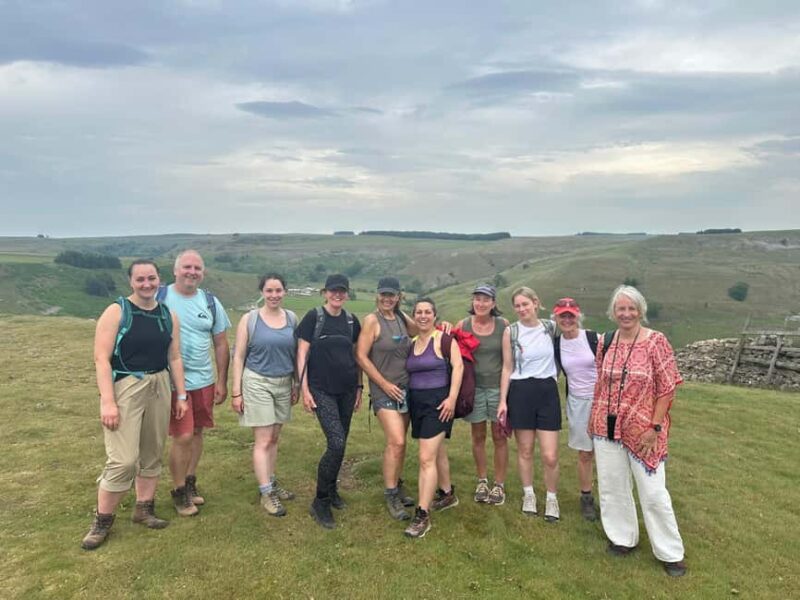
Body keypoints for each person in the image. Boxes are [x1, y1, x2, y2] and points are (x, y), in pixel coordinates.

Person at [82, 259, 188, 550]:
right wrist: (108, 402)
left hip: (160, 385)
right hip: (126, 386)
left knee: (152, 451)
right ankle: (102, 520)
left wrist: (180, 395)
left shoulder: (168, 314)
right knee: (123, 459)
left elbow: (175, 357)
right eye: (140, 279)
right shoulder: (117, 311)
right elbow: (101, 359)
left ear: (159, 279)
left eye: (151, 278)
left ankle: (144, 509)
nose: (146, 284)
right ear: (130, 281)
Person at [589, 285, 687, 577]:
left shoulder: (656, 342)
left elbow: (667, 388)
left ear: (640, 310)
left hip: (644, 429)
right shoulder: (605, 341)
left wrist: (655, 427)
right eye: (621, 308)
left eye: (631, 308)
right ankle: (622, 538)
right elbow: (601, 382)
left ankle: (670, 553)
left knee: (654, 493)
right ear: (613, 312)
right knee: (612, 487)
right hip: (605, 426)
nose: (626, 314)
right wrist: (593, 418)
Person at [162, 250, 231, 516]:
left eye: (197, 268)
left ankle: (190, 482)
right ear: (175, 270)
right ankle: (179, 490)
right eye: (187, 267)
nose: (192, 272)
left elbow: (221, 343)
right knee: (183, 436)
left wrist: (222, 381)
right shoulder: (160, 297)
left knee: (198, 432)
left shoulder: (210, 302)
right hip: (172, 382)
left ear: (203, 273)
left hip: (204, 380)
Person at [296, 274, 363, 529]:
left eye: (342, 291)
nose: (337, 294)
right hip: (321, 389)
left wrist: (359, 387)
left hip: (347, 390)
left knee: (341, 443)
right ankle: (320, 501)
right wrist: (304, 389)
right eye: (333, 290)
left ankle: (332, 489)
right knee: (336, 442)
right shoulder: (314, 317)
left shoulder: (351, 321)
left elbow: (356, 356)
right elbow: (302, 354)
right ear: (325, 292)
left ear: (347, 293)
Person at [231, 273, 298, 517]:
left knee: (274, 438)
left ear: (284, 292)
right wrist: (236, 392)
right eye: (269, 291)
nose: (274, 295)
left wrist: (296, 384)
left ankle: (270, 481)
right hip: (257, 382)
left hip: (284, 382)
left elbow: (295, 354)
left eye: (278, 290)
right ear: (262, 292)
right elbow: (239, 356)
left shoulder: (292, 318)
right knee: (263, 439)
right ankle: (266, 493)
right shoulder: (250, 319)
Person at [497, 286, 562, 522]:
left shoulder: (550, 327)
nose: (522, 309)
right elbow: (507, 367)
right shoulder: (511, 332)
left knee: (550, 455)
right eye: (517, 306)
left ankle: (552, 498)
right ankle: (529, 494)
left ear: (536, 302)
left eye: (525, 304)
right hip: (520, 392)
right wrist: (503, 401)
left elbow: (573, 333)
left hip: (547, 392)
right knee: (525, 450)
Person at [355, 277, 416, 521]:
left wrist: (400, 310)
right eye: (383, 295)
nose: (387, 299)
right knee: (396, 441)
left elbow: (418, 330)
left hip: (405, 389)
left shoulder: (400, 318)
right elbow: (361, 356)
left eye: (392, 295)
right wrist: (383, 384)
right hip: (384, 390)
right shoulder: (372, 320)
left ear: (399, 296)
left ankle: (397, 483)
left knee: (401, 443)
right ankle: (390, 495)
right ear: (377, 295)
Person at [403, 298, 463, 539]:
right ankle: (447, 494)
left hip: (439, 404)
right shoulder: (412, 343)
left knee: (426, 458)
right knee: (437, 452)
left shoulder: (444, 340)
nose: (423, 316)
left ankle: (422, 515)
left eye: (427, 312)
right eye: (419, 312)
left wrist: (452, 399)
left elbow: (458, 367)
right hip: (417, 403)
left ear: (435, 315)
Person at [457, 284, 509, 506]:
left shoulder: (503, 325)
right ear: (473, 302)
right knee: (478, 436)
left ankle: (499, 484)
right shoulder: (464, 325)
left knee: (499, 437)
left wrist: (505, 396)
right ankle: (482, 480)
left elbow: (508, 361)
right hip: (474, 389)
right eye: (477, 299)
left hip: (498, 388)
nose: (481, 303)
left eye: (486, 299)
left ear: (493, 303)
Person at [551, 297, 599, 521]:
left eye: (571, 315)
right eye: (563, 316)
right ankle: (586, 497)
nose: (567, 320)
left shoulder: (593, 338)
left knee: (608, 453)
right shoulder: (556, 344)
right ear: (556, 318)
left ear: (578, 316)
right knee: (585, 453)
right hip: (577, 402)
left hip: (602, 401)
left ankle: (611, 497)